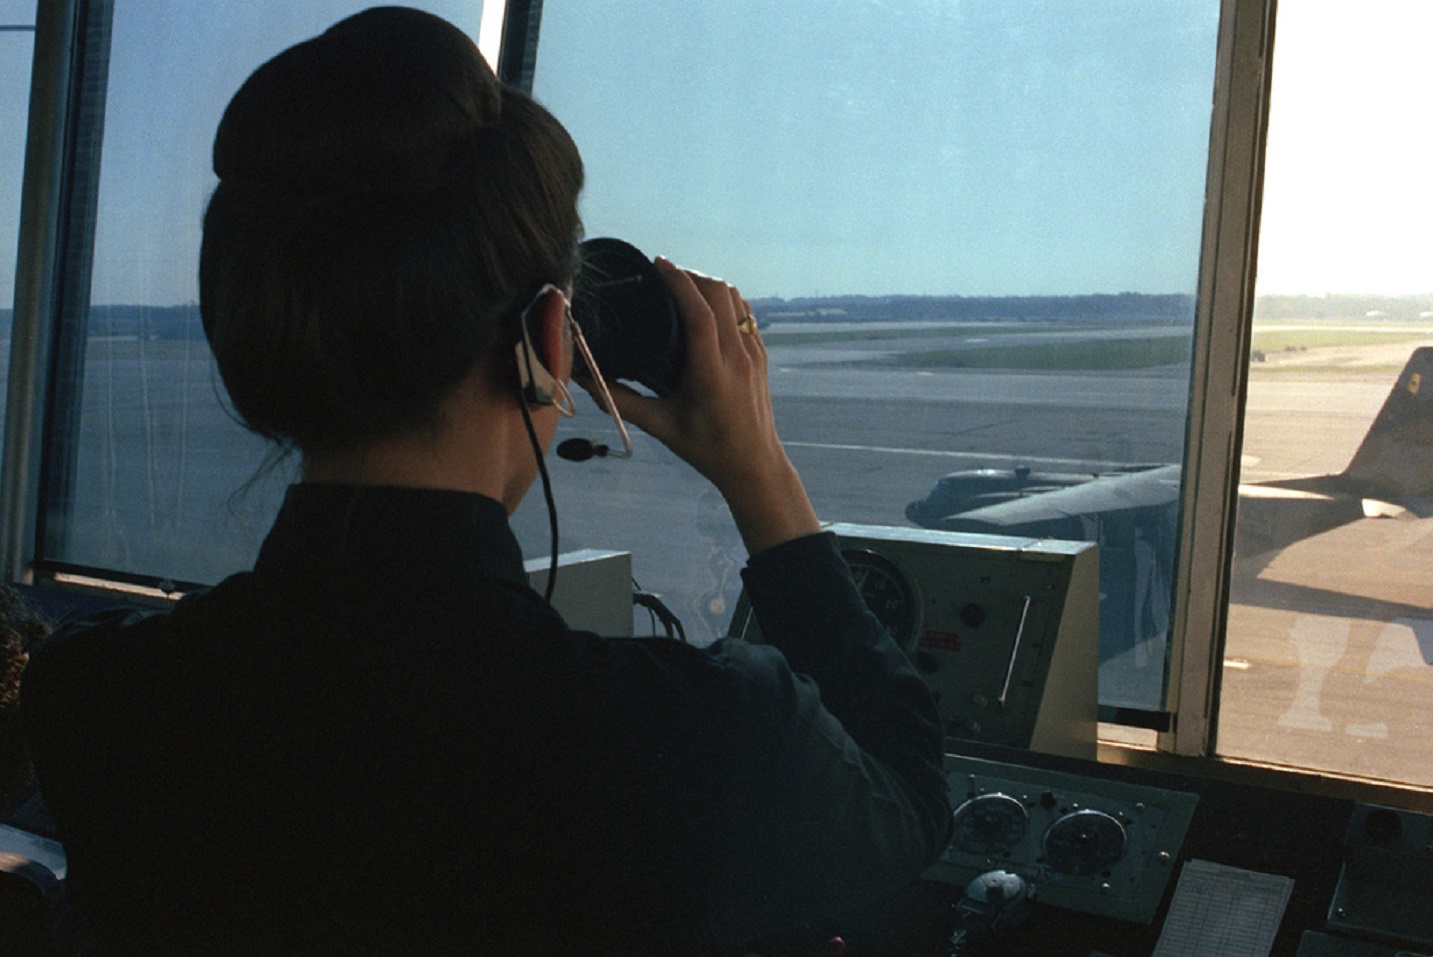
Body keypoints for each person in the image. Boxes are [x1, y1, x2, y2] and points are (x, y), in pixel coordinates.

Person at [22, 7, 951, 955]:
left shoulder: (98, 697)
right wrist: (760, 474)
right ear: (551, 337)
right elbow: (910, 802)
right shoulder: (706, 742)